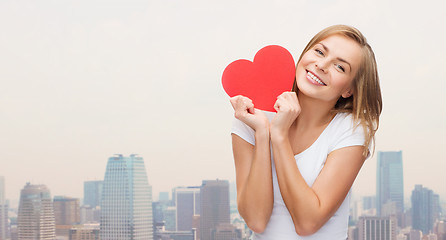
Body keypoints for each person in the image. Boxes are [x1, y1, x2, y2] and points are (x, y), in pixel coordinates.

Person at [230, 25, 382, 239]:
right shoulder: (252, 116)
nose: (321, 65)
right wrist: (263, 134)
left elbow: (307, 223)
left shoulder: (351, 129)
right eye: (319, 52)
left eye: (340, 67)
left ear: (349, 89)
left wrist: (280, 136)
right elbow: (256, 220)